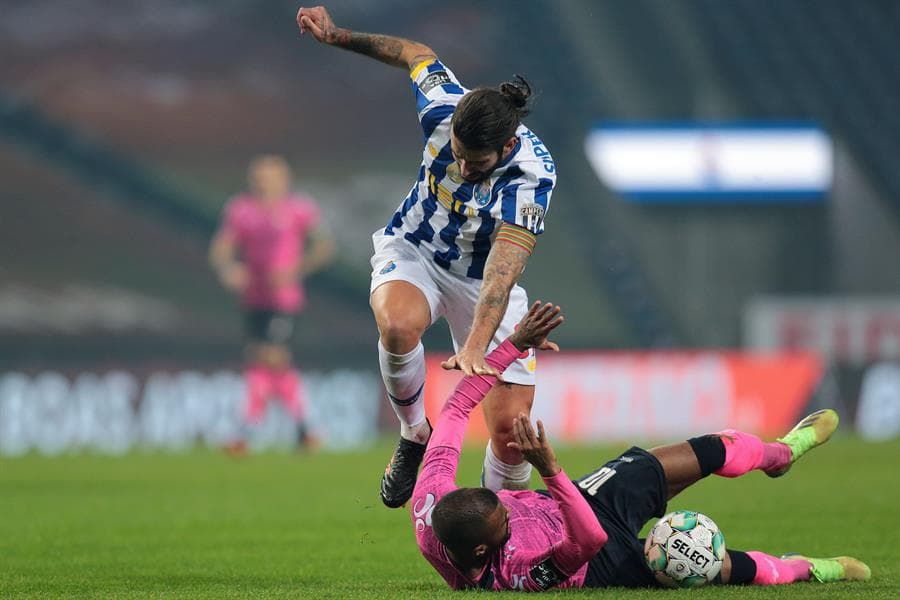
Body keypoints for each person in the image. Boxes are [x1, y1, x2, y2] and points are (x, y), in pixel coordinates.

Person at [411, 300, 871, 591]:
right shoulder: (515, 575)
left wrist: (513, 344)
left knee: (708, 448)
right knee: (707, 564)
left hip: (583, 495)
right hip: (599, 559)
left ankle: (780, 455)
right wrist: (549, 470)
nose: (510, 506)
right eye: (504, 519)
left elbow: (454, 411)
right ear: (480, 553)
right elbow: (588, 539)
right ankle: (807, 569)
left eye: (501, 504)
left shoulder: (431, 506)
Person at [297, 5, 558, 507]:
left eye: (474, 161)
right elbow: (415, 53)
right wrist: (337, 36)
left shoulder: (532, 177)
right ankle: (415, 433)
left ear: (505, 148)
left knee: (511, 435)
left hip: (482, 282)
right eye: (457, 152)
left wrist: (477, 347)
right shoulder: (443, 107)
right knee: (397, 325)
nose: (461, 165)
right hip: (415, 249)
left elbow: (502, 274)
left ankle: (504, 540)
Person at [210, 154, 335, 451]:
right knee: (261, 359)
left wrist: (295, 269)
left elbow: (324, 247)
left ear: (284, 179)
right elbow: (221, 248)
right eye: (258, 178)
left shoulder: (298, 209)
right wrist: (229, 269)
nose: (262, 184)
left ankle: (247, 430)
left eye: (269, 178)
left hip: (284, 300)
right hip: (254, 298)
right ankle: (305, 429)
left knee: (273, 355)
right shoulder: (241, 210)